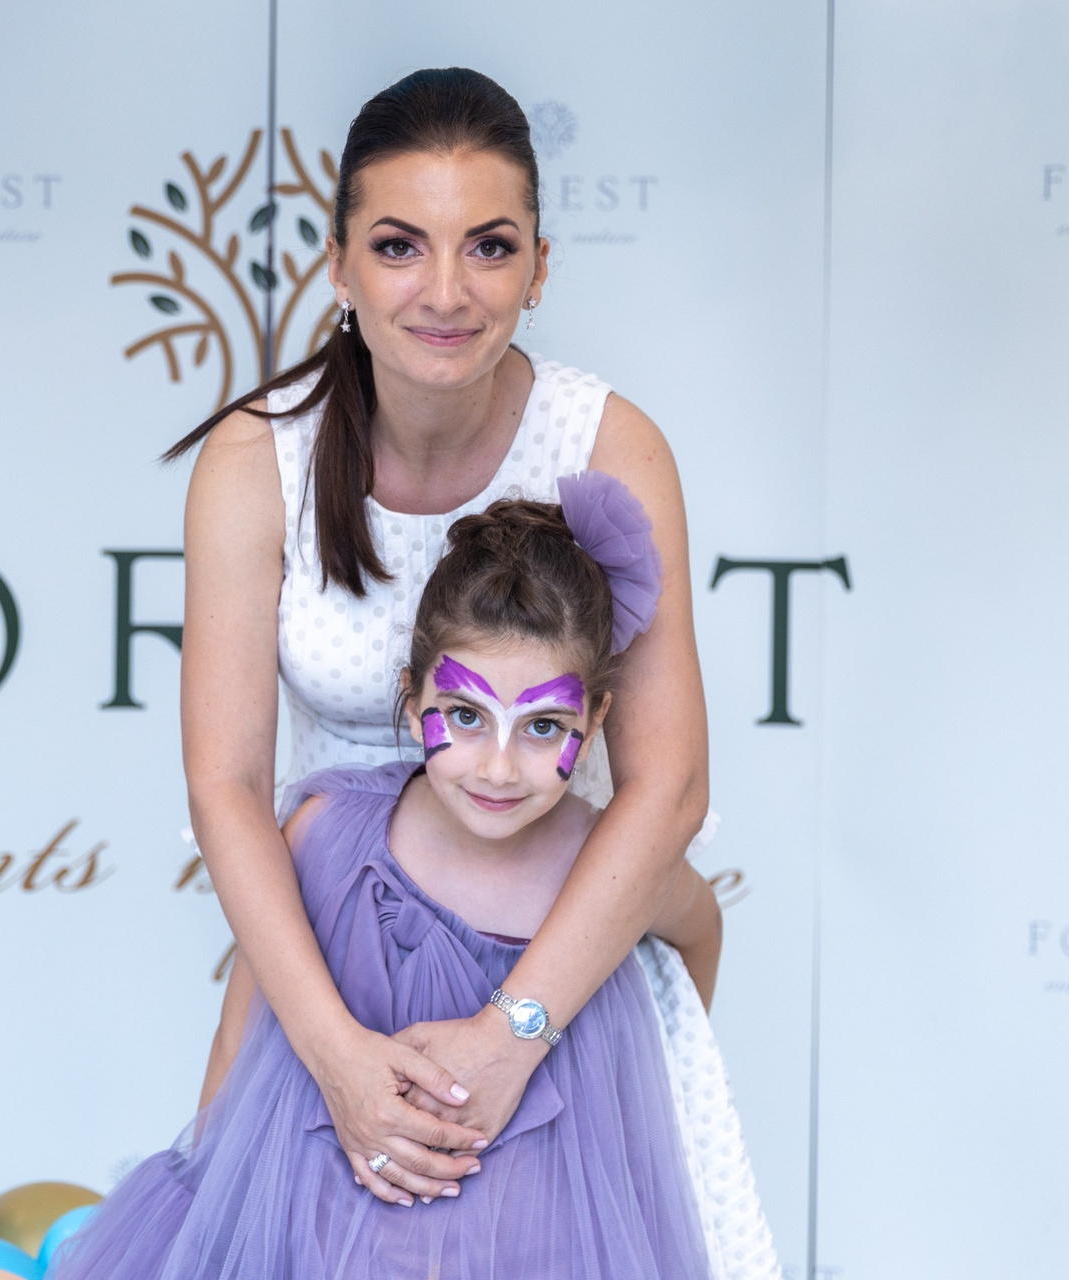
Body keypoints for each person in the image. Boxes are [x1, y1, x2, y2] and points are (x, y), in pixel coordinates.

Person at [174, 66, 712, 1209]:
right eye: (399, 246)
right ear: (338, 264)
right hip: (326, 953)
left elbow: (667, 787)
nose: (447, 291)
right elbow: (226, 783)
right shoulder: (255, 460)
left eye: (491, 246)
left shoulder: (609, 444)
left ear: (540, 265)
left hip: (552, 946)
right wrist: (334, 1052)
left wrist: (515, 1031)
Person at [53, 489, 771, 1278]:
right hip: (327, 1236)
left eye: (543, 727)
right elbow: (242, 1032)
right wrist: (209, 1208)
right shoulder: (328, 837)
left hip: (541, 1245)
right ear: (412, 694)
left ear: (595, 722)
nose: (498, 768)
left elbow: (692, 957)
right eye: (464, 716)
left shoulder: (612, 875)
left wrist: (626, 1078)